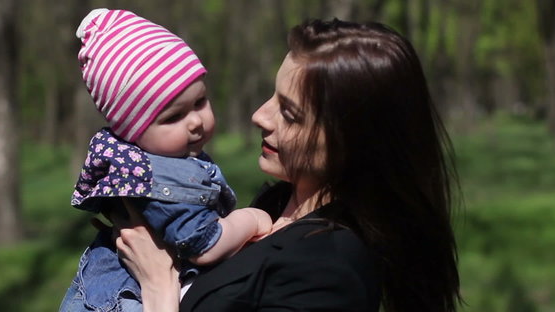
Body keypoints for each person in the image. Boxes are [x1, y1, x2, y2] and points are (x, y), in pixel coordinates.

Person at [115, 19, 462, 311]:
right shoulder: (279, 202)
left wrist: (159, 287)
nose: (259, 117)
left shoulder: (331, 270)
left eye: (290, 114)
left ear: (353, 141)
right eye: (273, 97)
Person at [59, 8, 272, 312]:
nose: (196, 122)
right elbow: (204, 243)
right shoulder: (154, 177)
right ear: (132, 129)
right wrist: (251, 219)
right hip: (124, 302)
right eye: (174, 116)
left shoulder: (159, 160)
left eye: (200, 101)